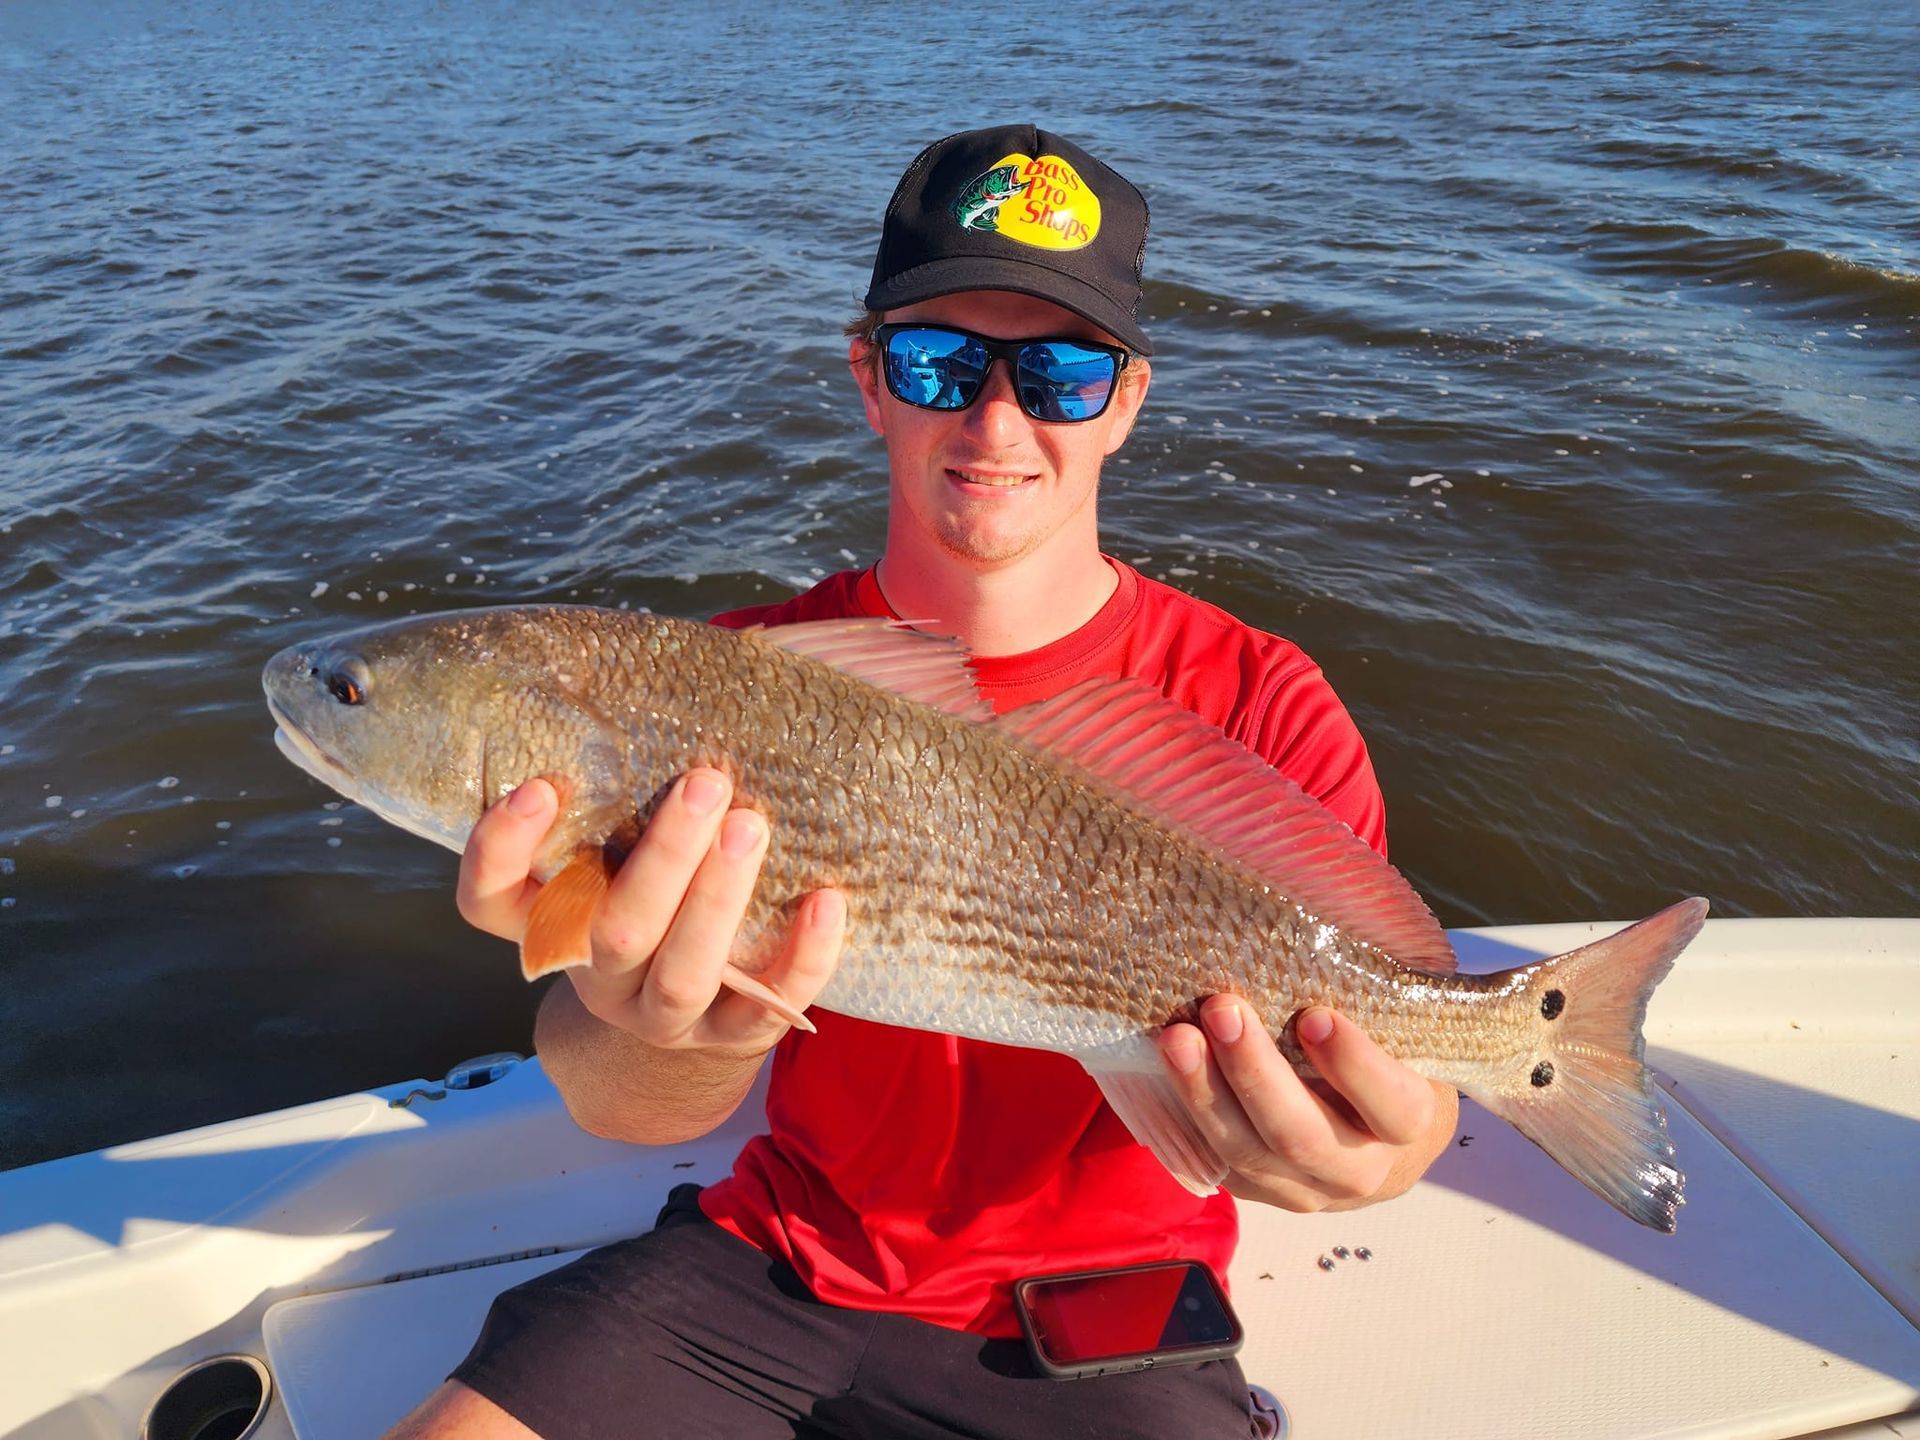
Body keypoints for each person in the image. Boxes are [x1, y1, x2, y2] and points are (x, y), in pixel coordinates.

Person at [389, 124, 1458, 1440]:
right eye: (941, 362)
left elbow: (1396, 1056)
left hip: (1107, 1324)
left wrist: (1383, 1153)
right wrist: (663, 1032)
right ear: (869, 379)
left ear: (1126, 400)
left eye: (1060, 374)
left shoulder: (1263, 707)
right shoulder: (731, 682)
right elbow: (623, 1104)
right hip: (776, 1267)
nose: (997, 419)